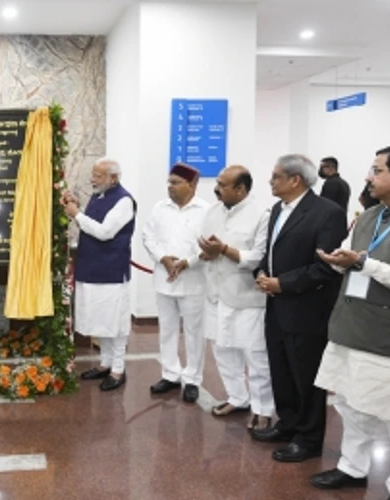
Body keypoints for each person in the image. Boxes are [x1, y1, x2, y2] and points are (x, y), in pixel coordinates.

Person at [312, 145, 390, 500]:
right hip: (352, 325)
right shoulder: (369, 215)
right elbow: (350, 256)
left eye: (376, 170)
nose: (368, 176)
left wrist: (362, 263)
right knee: (351, 405)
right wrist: (336, 260)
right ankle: (353, 467)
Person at [251, 154, 348, 463]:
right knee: (281, 369)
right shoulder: (279, 209)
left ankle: (308, 438)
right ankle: (288, 423)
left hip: (307, 308)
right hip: (277, 306)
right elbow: (272, 252)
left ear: (295, 180)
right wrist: (263, 275)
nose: (270, 182)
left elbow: (326, 267)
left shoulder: (327, 213)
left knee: (305, 374)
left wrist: (284, 284)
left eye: (276, 176)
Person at [198, 165, 273, 429]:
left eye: (222, 184)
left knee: (255, 355)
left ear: (241, 189)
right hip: (216, 295)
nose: (216, 189)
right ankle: (237, 397)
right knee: (223, 350)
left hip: (246, 297)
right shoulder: (212, 212)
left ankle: (263, 409)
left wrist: (225, 250)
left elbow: (259, 256)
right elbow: (204, 244)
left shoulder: (262, 215)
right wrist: (206, 252)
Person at [63, 157, 136, 391]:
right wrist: (78, 208)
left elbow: (105, 232)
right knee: (101, 320)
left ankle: (118, 369)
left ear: (113, 178)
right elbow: (92, 222)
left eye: (98, 176)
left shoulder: (124, 201)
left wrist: (76, 214)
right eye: (93, 174)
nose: (92, 179)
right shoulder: (99, 195)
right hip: (92, 267)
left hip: (111, 271)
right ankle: (105, 363)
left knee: (115, 322)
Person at [142, 163, 209, 403]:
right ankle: (170, 374)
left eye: (175, 182)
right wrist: (163, 259)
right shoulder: (160, 208)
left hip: (193, 280)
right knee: (167, 329)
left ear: (191, 185)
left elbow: (208, 246)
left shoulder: (206, 211)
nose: (169, 187)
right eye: (169, 182)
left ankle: (192, 379)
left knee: (193, 332)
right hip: (164, 278)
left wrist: (186, 262)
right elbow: (148, 237)